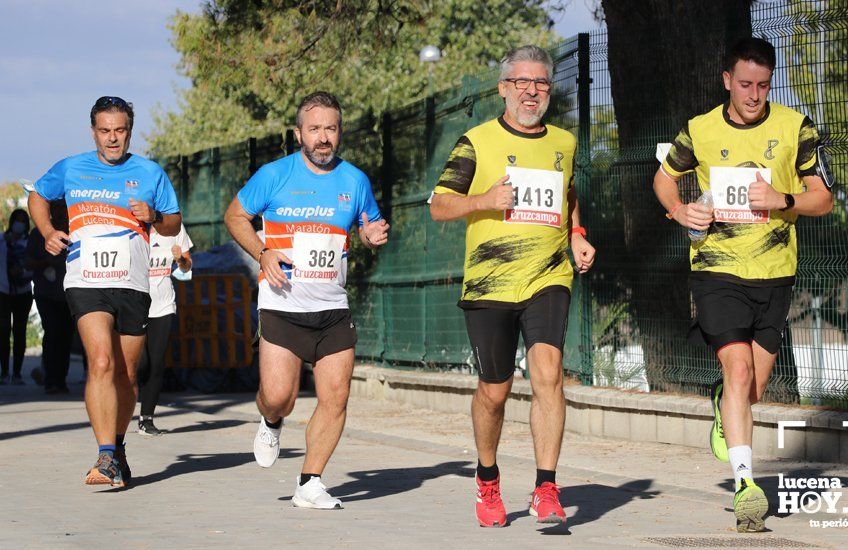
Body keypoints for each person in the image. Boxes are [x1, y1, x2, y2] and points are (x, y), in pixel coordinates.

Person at [653, 37, 833, 532]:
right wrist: (679, 209)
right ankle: (745, 487)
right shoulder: (700, 130)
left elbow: (823, 199)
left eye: (763, 85)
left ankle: (721, 405)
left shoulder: (796, 128)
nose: (754, 95)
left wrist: (783, 199)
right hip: (716, 267)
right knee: (736, 371)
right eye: (745, 84)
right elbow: (664, 179)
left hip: (774, 272)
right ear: (727, 80)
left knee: (751, 387)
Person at [429, 45, 596, 527]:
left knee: (548, 373)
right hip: (489, 284)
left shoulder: (563, 142)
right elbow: (440, 205)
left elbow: (567, 197)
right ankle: (487, 479)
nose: (532, 91)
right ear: (504, 88)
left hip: (548, 276)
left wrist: (578, 235)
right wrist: (485, 198)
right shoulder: (476, 142)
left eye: (541, 83)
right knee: (495, 392)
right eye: (522, 82)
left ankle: (546, 486)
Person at [225, 91, 389, 510]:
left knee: (335, 397)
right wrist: (262, 252)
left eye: (330, 129)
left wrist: (371, 236)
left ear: (340, 132)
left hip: (333, 307)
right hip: (282, 303)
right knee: (280, 395)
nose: (322, 138)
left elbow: (369, 225)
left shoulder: (354, 180)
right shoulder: (274, 175)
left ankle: (310, 481)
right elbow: (235, 216)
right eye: (314, 129)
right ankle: (271, 419)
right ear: (299, 133)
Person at [29, 96, 182, 488]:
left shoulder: (149, 172)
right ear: (93, 131)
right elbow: (38, 195)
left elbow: (173, 223)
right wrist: (48, 232)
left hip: (133, 282)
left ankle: (117, 444)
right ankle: (105, 454)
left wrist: (155, 217)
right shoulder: (71, 167)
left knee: (128, 374)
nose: (113, 139)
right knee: (100, 362)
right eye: (105, 131)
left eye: (120, 131)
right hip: (85, 281)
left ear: (129, 131)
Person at [136, 224, 193, 435]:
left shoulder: (175, 228)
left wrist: (180, 260)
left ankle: (146, 419)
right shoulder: (136, 226)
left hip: (163, 304)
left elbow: (186, 267)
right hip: (136, 302)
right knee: (140, 363)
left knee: (157, 363)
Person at [26, 200, 74, 394]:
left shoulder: (74, 232)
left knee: (66, 337)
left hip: (69, 295)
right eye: (58, 209)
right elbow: (27, 262)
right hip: (46, 293)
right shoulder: (38, 233)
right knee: (52, 333)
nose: (62, 213)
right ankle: (50, 378)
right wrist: (45, 262)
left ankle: (61, 379)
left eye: (65, 208)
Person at [0, 209, 34, 385]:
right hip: (3, 292)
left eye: (22, 220)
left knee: (19, 332)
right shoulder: (2, 241)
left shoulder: (29, 242)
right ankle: (4, 372)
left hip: (23, 293)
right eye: (16, 220)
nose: (19, 224)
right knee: (3, 332)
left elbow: (33, 266)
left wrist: (23, 270)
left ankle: (17, 373)